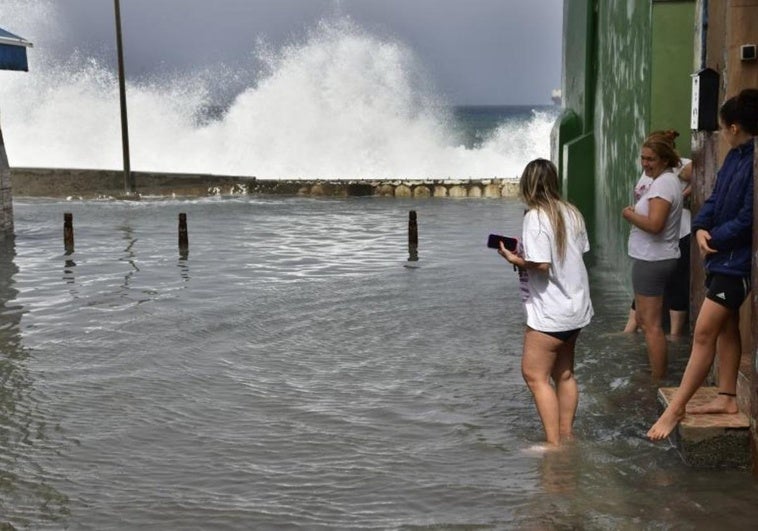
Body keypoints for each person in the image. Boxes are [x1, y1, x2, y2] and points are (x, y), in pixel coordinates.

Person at [648, 88, 757, 441]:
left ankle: (676, 406)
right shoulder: (735, 158)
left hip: (736, 264)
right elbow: (711, 202)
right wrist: (699, 229)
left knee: (704, 332)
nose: (723, 132)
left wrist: (716, 238)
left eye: (725, 127)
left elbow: (748, 217)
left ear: (735, 127)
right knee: (726, 330)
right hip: (720, 258)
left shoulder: (754, 162)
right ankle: (727, 397)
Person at [498, 158, 593, 447]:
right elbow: (578, 253)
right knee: (564, 374)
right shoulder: (572, 212)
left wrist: (514, 259)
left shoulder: (536, 217)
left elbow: (540, 264)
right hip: (576, 307)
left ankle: (553, 445)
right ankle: (567, 435)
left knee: (534, 375)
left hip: (552, 311)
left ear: (528, 184)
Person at [622, 134, 684, 380]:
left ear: (665, 159)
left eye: (651, 159)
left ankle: (657, 378)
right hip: (655, 258)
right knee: (646, 321)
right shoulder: (663, 182)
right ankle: (656, 371)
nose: (645, 164)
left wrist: (629, 215)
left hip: (653, 260)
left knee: (651, 325)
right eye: (643, 158)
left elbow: (656, 224)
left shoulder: (663, 184)